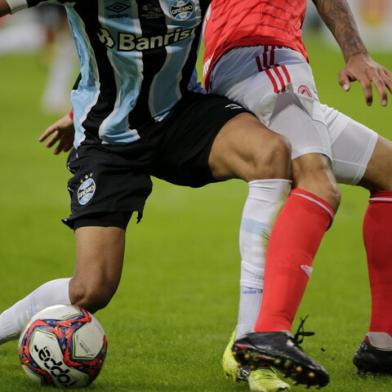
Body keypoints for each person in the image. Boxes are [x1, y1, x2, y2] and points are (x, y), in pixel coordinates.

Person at [0, 1, 296, 391]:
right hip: (109, 139)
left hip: (179, 116)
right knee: (91, 289)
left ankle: (250, 345)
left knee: (270, 154)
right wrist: (78, 112)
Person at [203, 0, 392, 389]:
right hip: (264, 56)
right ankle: (267, 332)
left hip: (258, 60)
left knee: (388, 170)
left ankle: (383, 342)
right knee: (318, 183)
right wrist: (355, 52)